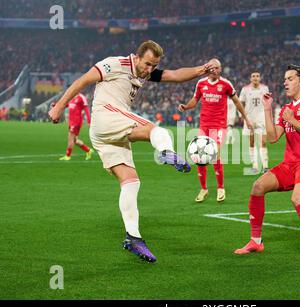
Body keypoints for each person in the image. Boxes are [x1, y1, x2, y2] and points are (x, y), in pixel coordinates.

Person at [49, 40, 214, 263]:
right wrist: (59, 106)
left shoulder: (146, 72)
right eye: (147, 64)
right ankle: (166, 152)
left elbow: (175, 75)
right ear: (137, 57)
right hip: (106, 117)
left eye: (154, 66)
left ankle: (133, 238)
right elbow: (82, 81)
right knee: (157, 131)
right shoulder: (115, 64)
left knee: (131, 181)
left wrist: (202, 69)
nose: (150, 70)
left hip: (107, 136)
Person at [234, 64, 300, 265]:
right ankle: (256, 241)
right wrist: (268, 110)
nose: (285, 82)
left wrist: (293, 121)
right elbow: (272, 137)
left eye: (290, 78)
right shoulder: (286, 109)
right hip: (290, 164)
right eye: (284, 79)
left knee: (298, 198)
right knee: (258, 186)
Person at [178, 59, 253, 203]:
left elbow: (237, 101)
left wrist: (246, 119)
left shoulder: (226, 84)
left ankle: (220, 187)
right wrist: (186, 107)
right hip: (204, 125)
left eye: (219, 68)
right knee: (199, 157)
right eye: (215, 68)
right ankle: (204, 188)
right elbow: (195, 99)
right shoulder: (201, 83)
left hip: (219, 125)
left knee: (215, 154)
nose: (218, 70)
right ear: (209, 69)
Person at [240, 72, 270, 174]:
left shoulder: (265, 88)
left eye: (257, 76)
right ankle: (255, 166)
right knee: (252, 143)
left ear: (260, 78)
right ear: (250, 78)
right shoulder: (245, 89)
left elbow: (267, 103)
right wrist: (243, 116)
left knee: (263, 142)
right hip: (250, 119)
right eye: (253, 76)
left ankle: (265, 166)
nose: (255, 78)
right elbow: (241, 103)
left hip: (261, 119)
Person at [56, 93, 94, 161]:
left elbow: (86, 109)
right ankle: (88, 150)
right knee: (75, 140)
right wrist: (56, 106)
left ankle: (68, 156)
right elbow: (67, 105)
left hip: (76, 122)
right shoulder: (72, 97)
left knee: (70, 138)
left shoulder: (81, 97)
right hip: (71, 122)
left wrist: (89, 121)